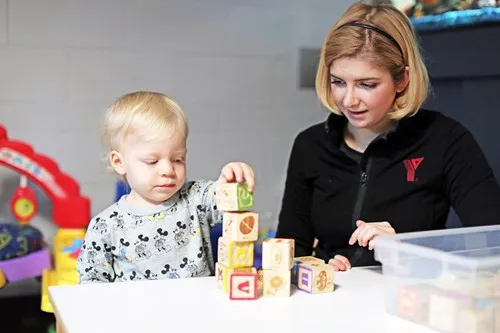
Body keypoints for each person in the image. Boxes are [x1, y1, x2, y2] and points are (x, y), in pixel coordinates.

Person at [275, 1, 500, 271]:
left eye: (367, 85)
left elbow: (492, 243)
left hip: (411, 302)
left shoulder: (446, 141)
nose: (349, 100)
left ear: (402, 80)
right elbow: (288, 252)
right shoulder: (309, 146)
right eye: (338, 82)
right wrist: (317, 271)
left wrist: (404, 250)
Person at [77, 91, 255, 283]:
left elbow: (224, 199)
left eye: (178, 159)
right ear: (119, 162)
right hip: (138, 313)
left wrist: (231, 180)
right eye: (152, 161)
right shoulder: (104, 226)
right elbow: (91, 285)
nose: (168, 169)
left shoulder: (195, 199)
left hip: (197, 311)